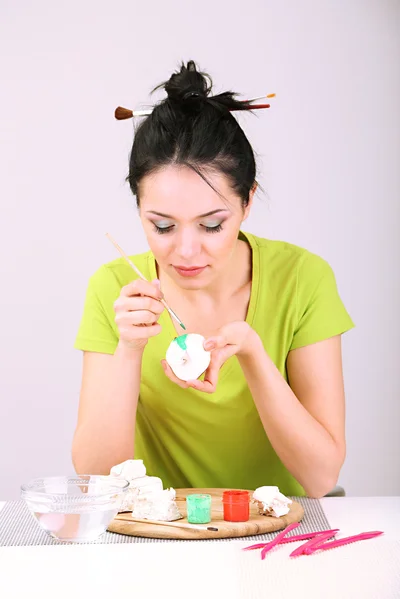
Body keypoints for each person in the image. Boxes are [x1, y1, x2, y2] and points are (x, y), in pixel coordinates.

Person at [72, 61, 354, 498]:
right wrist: (129, 352)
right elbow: (95, 479)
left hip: (275, 535)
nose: (185, 252)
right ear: (139, 209)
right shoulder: (114, 290)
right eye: (162, 226)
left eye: (211, 225)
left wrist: (254, 356)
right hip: (158, 534)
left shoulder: (302, 278)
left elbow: (320, 478)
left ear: (247, 202)